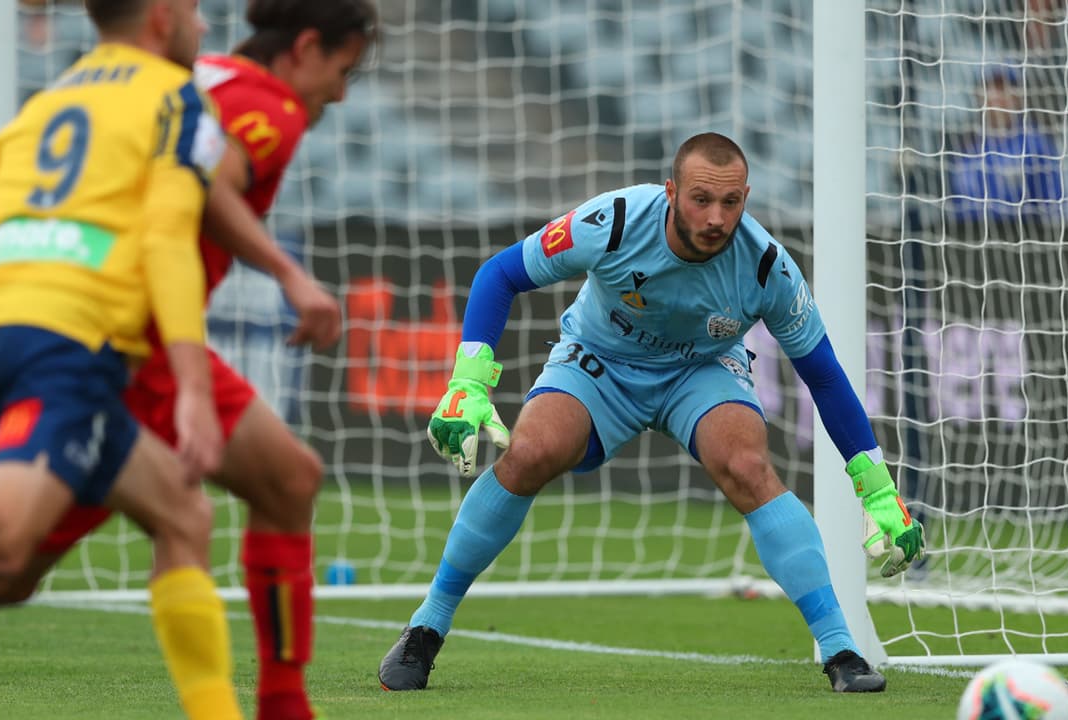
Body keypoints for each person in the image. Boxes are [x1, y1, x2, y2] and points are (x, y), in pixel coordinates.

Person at [0, 1, 376, 718]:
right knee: (280, 482)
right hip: (116, 341)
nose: (341, 92)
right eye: (344, 70)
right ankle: (283, 704)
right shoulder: (252, 105)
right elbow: (187, 205)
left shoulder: (112, 82)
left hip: (38, 319)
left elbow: (60, 188)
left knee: (23, 566)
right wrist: (288, 275)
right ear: (307, 47)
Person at [376, 132, 926, 694]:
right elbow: (500, 274)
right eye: (700, 200)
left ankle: (840, 650)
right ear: (670, 192)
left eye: (731, 203)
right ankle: (426, 626)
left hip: (701, 370)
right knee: (528, 453)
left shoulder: (766, 269)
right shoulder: (612, 221)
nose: (716, 218)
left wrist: (876, 488)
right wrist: (468, 382)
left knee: (747, 467)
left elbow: (825, 375)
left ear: (746, 198)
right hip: (600, 361)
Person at [945, 64, 1063, 227]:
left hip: (1024, 241)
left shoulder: (1035, 146)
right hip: (971, 241)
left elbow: (1052, 207)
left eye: (1004, 89)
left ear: (1018, 97)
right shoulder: (967, 150)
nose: (998, 97)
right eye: (991, 88)